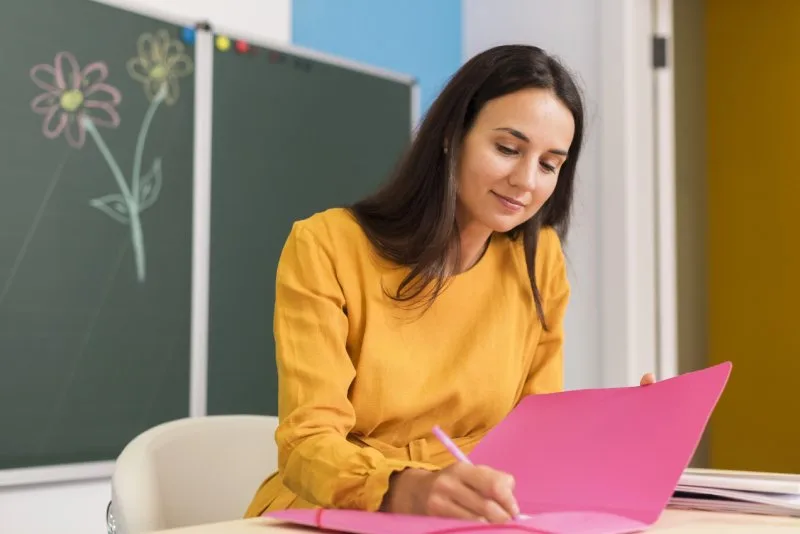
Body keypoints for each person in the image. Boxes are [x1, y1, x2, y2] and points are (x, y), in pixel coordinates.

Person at [244, 44, 656, 524]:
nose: (526, 180)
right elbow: (306, 445)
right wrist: (410, 489)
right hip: (338, 511)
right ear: (450, 136)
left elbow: (536, 435)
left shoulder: (539, 261)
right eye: (507, 148)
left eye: (549, 164)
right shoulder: (327, 246)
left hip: (471, 514)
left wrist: (620, 431)